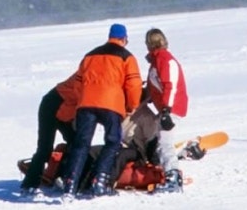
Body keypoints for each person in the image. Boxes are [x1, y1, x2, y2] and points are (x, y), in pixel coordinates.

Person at [57, 23, 142, 199]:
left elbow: (77, 83)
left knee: (81, 144)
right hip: (111, 104)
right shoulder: (127, 57)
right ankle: (100, 181)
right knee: (112, 142)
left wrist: (82, 99)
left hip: (86, 104)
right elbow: (134, 85)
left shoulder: (90, 55)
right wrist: (131, 105)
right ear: (124, 38)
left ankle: (70, 184)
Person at [136, 27, 189, 193]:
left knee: (165, 143)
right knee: (160, 142)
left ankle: (173, 178)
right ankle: (165, 172)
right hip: (165, 109)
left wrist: (166, 110)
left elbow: (170, 86)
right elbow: (155, 87)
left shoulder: (166, 60)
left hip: (172, 108)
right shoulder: (156, 61)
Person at [20, 71, 81, 193]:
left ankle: (60, 173)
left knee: (77, 144)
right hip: (51, 106)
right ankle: (30, 184)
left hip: (66, 113)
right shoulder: (89, 74)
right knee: (45, 148)